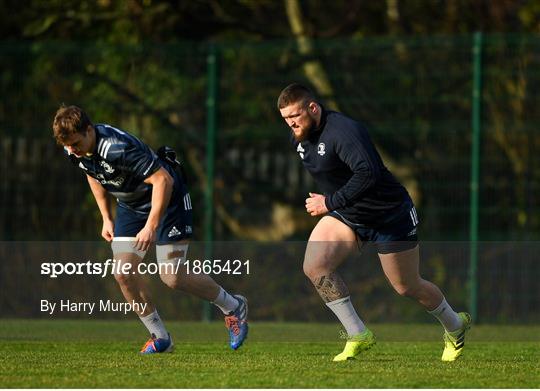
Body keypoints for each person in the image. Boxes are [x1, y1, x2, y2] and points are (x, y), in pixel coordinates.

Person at [277, 83, 471, 362]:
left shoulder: (343, 131)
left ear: (313, 108)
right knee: (315, 265)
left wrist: (329, 202)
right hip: (350, 215)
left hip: (389, 216)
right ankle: (358, 334)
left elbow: (368, 175)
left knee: (407, 286)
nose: (291, 123)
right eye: (285, 118)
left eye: (295, 116)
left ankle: (455, 325)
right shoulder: (299, 136)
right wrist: (335, 201)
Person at [52, 105, 248, 353]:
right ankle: (161, 338)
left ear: (89, 130)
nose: (72, 151)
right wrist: (106, 216)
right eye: (68, 146)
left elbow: (162, 179)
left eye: (76, 144)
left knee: (172, 275)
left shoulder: (116, 148)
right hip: (131, 205)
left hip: (167, 198)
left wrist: (151, 226)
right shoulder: (75, 149)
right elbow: (91, 173)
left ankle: (232, 306)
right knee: (123, 273)